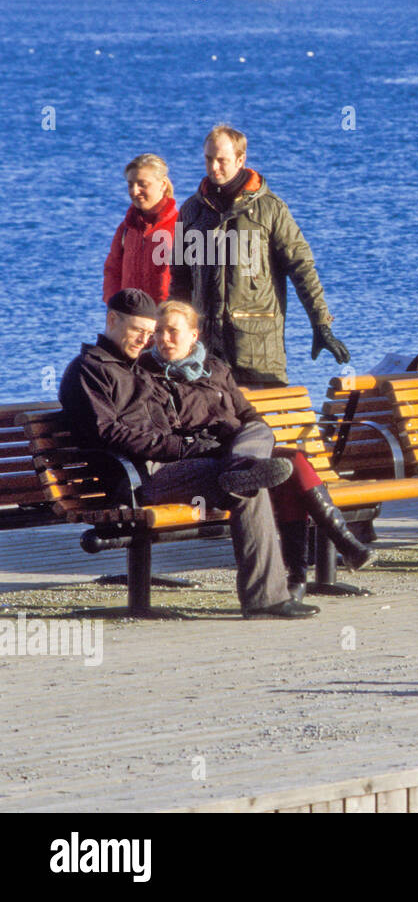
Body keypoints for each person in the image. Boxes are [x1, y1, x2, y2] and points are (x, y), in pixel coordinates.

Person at [58, 289, 317, 618]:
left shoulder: (138, 368)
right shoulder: (88, 371)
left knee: (245, 473)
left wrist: (211, 439)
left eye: (149, 333)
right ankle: (265, 599)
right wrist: (185, 447)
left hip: (177, 468)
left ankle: (244, 468)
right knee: (243, 485)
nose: (145, 340)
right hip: (138, 481)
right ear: (112, 320)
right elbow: (109, 433)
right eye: (138, 330)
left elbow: (173, 421)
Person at [144, 300, 375, 594]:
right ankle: (317, 563)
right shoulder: (150, 375)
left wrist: (245, 435)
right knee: (291, 466)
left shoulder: (215, 368)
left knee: (262, 436)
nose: (164, 339)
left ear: (194, 334)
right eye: (159, 331)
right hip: (209, 454)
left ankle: (248, 469)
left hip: (241, 445)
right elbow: (171, 432)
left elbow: (250, 416)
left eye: (172, 331)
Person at [172, 123, 349, 387]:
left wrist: (321, 324)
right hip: (205, 352)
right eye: (209, 159)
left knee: (266, 425)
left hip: (257, 352)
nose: (213, 167)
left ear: (241, 159)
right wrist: (174, 334)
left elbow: (302, 268)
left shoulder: (271, 210)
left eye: (222, 160)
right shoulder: (190, 211)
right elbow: (179, 282)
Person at [103, 153, 178, 304]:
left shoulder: (182, 226)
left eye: (142, 184)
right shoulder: (126, 229)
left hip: (165, 319)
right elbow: (112, 271)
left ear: (162, 185)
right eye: (130, 184)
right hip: (130, 320)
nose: (134, 191)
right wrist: (115, 307)